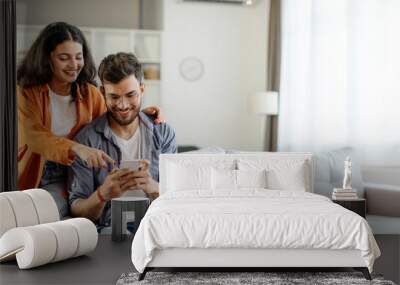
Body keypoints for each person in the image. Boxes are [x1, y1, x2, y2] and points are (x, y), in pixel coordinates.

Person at [17, 22, 162, 217]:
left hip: (75, 173)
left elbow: (111, 117)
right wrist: (77, 148)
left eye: (79, 57)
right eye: (64, 58)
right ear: (47, 58)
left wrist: (139, 113)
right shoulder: (26, 93)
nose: (74, 65)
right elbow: (33, 136)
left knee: (59, 214)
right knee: (36, 214)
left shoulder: (90, 93)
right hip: (38, 172)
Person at [68, 52, 177, 227]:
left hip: (156, 228)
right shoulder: (86, 141)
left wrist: (152, 187)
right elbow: (77, 209)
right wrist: (103, 194)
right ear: (103, 92)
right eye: (114, 97)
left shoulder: (163, 133)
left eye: (130, 95)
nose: (123, 105)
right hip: (109, 232)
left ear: (142, 89)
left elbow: (176, 199)